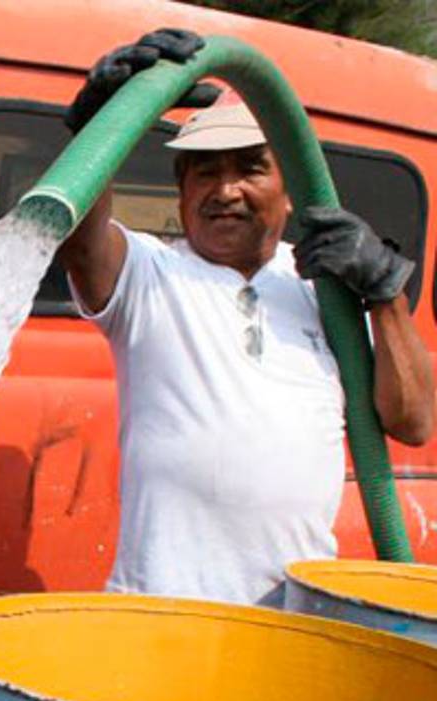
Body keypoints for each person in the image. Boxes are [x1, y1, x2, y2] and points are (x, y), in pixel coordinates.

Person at [57, 29, 434, 605]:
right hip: (157, 608)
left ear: (289, 192)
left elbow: (414, 423)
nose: (226, 190)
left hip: (290, 612)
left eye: (251, 169)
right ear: (181, 192)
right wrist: (97, 125)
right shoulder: (150, 274)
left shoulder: (326, 292)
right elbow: (83, 247)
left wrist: (384, 293)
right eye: (205, 173)